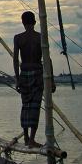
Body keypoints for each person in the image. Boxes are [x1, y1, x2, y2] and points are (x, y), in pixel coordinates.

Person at [13, 11, 55, 148]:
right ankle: (30, 139)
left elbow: (15, 60)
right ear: (35, 22)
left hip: (26, 74)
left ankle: (27, 138)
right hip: (36, 74)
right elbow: (48, 60)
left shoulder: (18, 38)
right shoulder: (40, 37)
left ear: (23, 22)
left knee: (26, 106)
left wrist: (17, 79)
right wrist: (52, 80)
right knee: (34, 107)